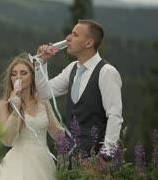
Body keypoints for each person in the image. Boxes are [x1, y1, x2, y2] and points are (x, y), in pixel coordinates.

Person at [35, 19, 123, 159]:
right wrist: (41, 62)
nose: (68, 38)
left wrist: (105, 157)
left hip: (95, 158)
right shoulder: (72, 68)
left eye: (75, 35)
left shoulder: (107, 72)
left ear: (89, 43)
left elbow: (114, 116)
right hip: (70, 155)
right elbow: (44, 92)